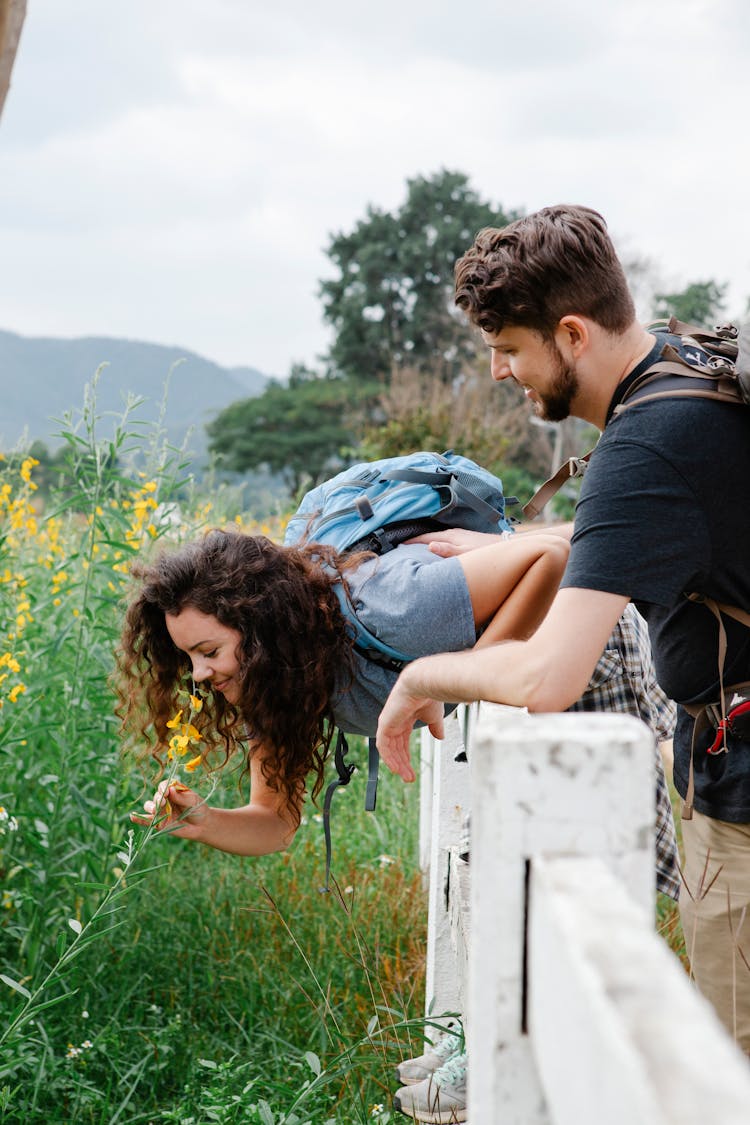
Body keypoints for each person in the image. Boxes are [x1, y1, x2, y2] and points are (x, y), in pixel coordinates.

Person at [375, 205, 750, 1052]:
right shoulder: (690, 364)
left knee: (733, 1060)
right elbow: (686, 520)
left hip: (744, 799)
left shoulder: (642, 445)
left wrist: (420, 675)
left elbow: (549, 678)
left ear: (572, 333)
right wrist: (529, 543)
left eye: (509, 347)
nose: (500, 370)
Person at [122, 523, 571, 852]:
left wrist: (459, 677)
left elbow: (550, 556)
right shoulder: (276, 686)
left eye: (208, 651)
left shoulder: (393, 606)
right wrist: (206, 820)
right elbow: (275, 823)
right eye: (189, 659)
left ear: (261, 629)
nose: (198, 674)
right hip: (535, 691)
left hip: (586, 649)